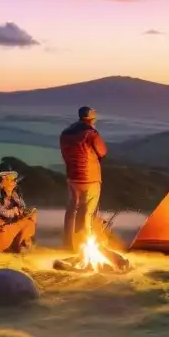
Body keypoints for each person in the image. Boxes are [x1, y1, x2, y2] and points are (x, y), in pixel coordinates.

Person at [59, 105, 108, 251]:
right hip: (90, 177)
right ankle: (83, 244)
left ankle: (68, 243)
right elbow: (102, 151)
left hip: (72, 176)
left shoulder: (66, 133)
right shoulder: (91, 133)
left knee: (72, 208)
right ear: (91, 118)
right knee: (87, 211)